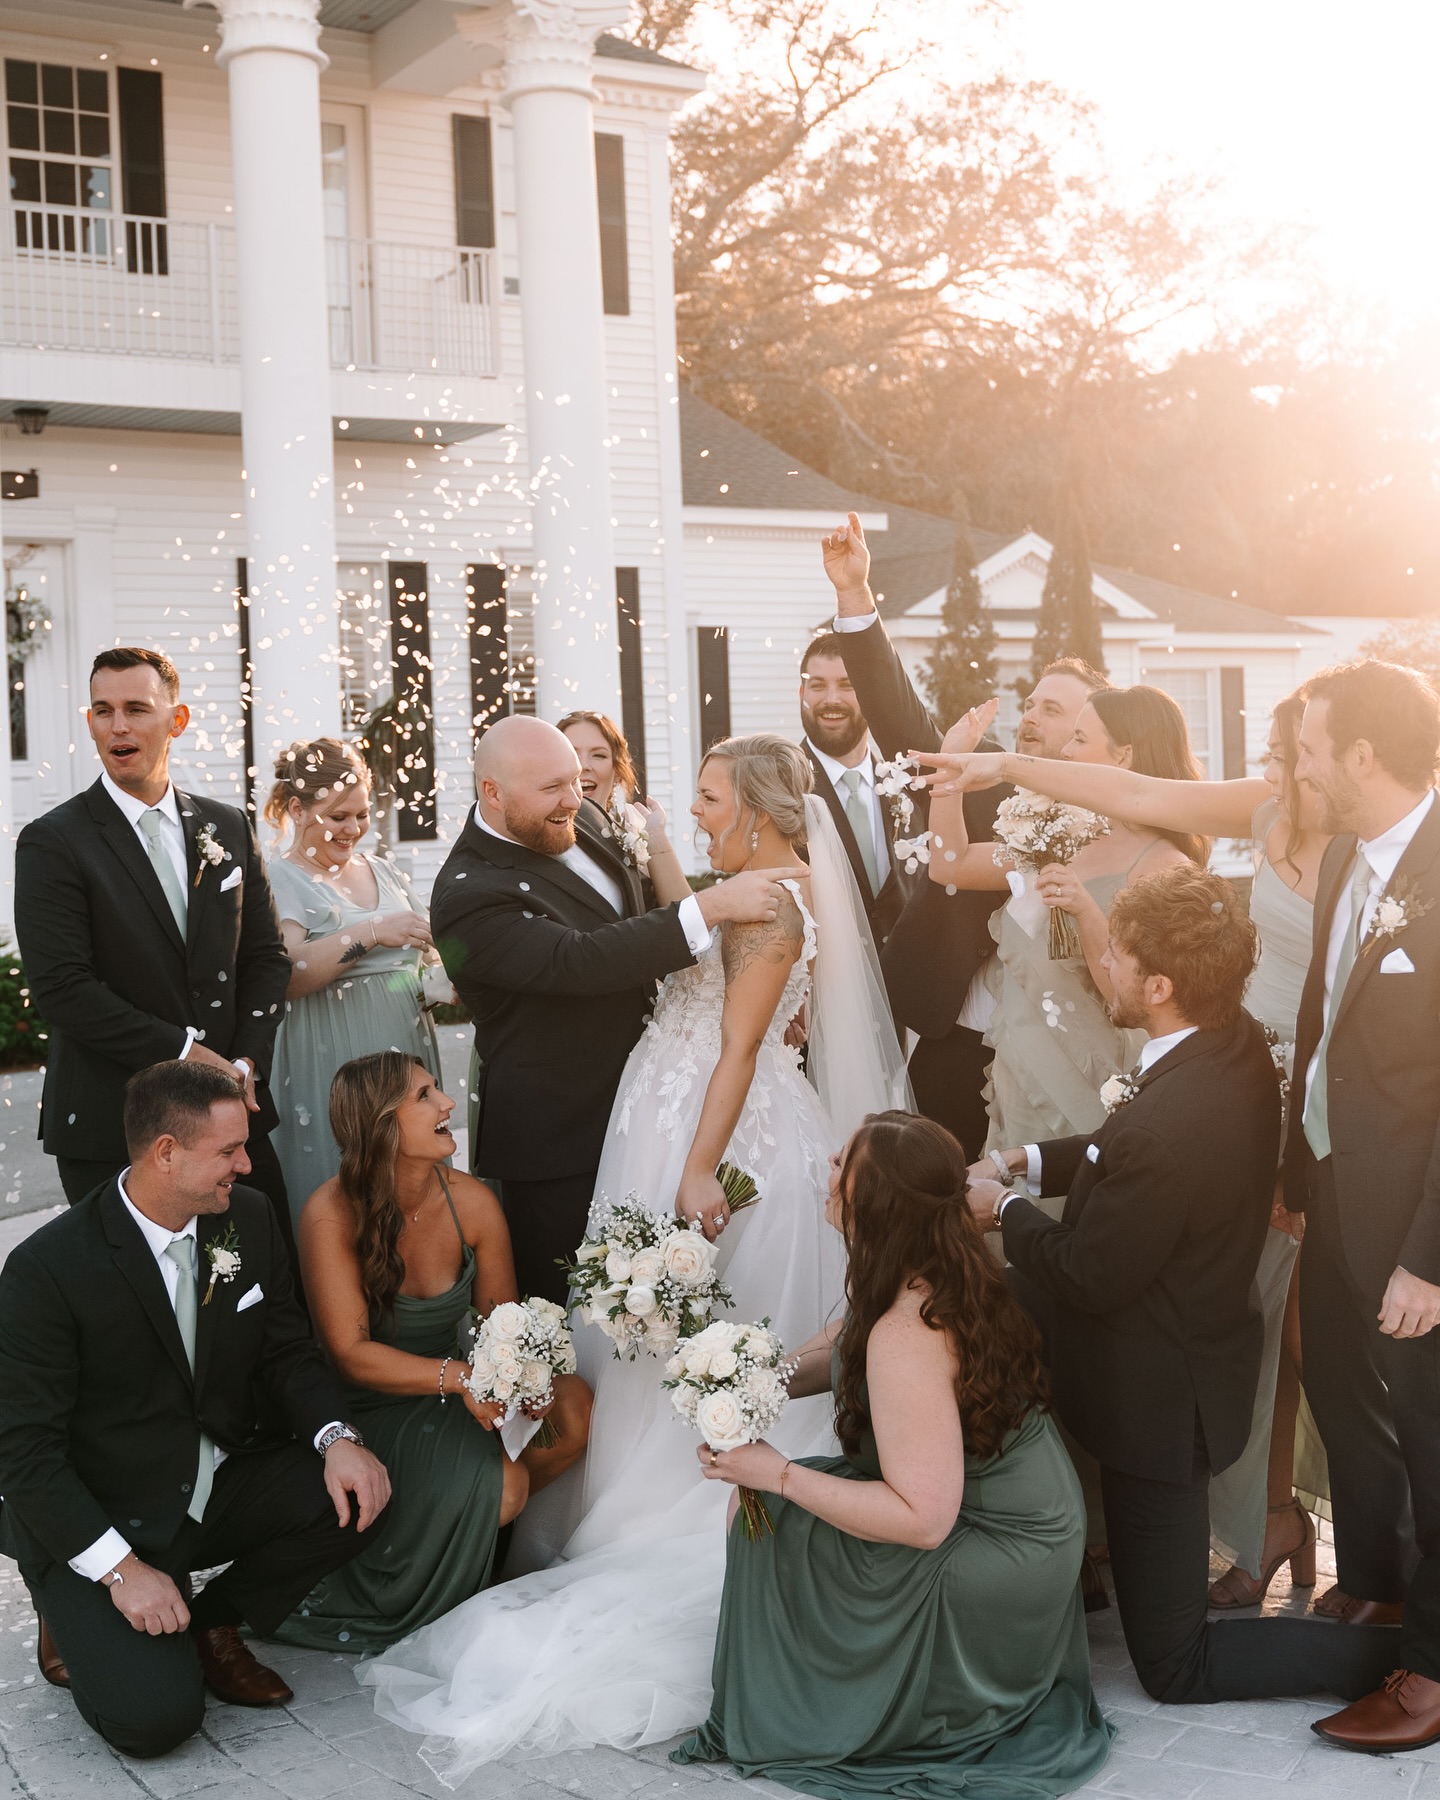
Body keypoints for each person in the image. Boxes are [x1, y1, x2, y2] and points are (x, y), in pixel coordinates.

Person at [362, 735, 911, 1776]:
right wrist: (677, 860)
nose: (694, 813)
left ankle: (695, 1504)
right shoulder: (730, 883)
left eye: (708, 798)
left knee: (697, 1322)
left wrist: (698, 1171)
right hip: (664, 1113)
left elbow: (745, 1049)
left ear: (752, 807)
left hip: (717, 1133)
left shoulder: (776, 903)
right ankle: (639, 1483)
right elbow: (663, 932)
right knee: (645, 1339)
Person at [920, 693, 1330, 1611]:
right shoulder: (1259, 811)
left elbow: (1154, 977)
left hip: (1243, 1085)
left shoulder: (1197, 854)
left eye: (1292, 747)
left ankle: (1283, 1529)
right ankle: (1085, 1525)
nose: (1279, 763)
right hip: (1176, 1085)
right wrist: (988, 771)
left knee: (1270, 1314)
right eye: (1275, 746)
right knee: (1107, 1303)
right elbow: (978, 861)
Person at [966, 865, 1398, 1705]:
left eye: (1118, 958)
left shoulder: (1171, 1122)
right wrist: (1031, 1159)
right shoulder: (1223, 1043)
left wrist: (1004, 1208)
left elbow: (1089, 1272)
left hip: (1157, 1409)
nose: (1106, 967)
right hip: (1178, 1357)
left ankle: (1396, 1659)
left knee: (1173, 1665)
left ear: (1159, 985)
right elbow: (1122, 1139)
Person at [672, 1112, 1113, 1799]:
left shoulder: (909, 1328)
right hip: (999, 1516)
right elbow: (837, 1347)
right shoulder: (914, 1267)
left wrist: (778, 1473)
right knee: (761, 1508)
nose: (828, 1164)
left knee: (761, 1510)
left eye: (844, 1162)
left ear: (874, 1202)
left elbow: (922, 1521)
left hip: (1000, 1552)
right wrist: (750, 1380)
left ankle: (832, 1704)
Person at [0, 1060, 390, 1758]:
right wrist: (122, 1571)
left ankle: (214, 1620)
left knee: (361, 1491)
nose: (246, 1163)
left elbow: (285, 1352)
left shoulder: (246, 1216)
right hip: (109, 1509)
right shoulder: (46, 1272)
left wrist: (337, 1437)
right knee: (155, 1723)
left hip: (211, 1482)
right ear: (166, 1153)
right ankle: (66, 1596)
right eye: (228, 1151)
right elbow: (23, 1453)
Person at [430, 714, 788, 1305]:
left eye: (576, 779)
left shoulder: (583, 815)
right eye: (553, 788)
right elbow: (581, 960)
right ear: (491, 792)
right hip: (561, 1136)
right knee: (578, 1309)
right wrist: (714, 906)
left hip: (649, 1103)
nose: (576, 798)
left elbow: (636, 915)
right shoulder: (467, 895)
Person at [273, 1053, 591, 1654]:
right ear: (382, 1124)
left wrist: (521, 1377)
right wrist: (461, 1378)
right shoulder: (328, 1214)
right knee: (506, 1488)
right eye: (425, 1096)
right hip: (378, 1405)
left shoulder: (471, 1202)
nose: (447, 1104)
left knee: (573, 1408)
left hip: (460, 1388)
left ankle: (475, 1554)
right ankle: (434, 1564)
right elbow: (348, 1354)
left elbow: (504, 1322)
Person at [819, 510, 1106, 1150]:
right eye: (1029, 702)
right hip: (959, 1033)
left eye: (1051, 710)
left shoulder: (1119, 822)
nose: (1029, 716)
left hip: (1068, 1044)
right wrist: (855, 596)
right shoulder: (988, 780)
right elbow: (899, 719)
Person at [1282, 661, 1440, 1752]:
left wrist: (1429, 1259)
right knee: (1341, 1393)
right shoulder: (1345, 853)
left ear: (1362, 757)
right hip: (1335, 1195)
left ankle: (1431, 1674)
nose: (1298, 769)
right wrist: (1300, 1182)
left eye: (1308, 749)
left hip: (1419, 1222)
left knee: (1436, 1444)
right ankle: (1379, 1586)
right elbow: (1320, 1015)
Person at [14, 648, 295, 1260]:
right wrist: (190, 1054)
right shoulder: (53, 842)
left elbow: (266, 960)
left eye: (137, 709)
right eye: (103, 710)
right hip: (114, 1124)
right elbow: (64, 990)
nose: (118, 726)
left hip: (231, 1120)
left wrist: (245, 1061)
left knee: (265, 1289)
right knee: (142, 1313)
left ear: (177, 719)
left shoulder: (227, 827)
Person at [920, 684, 1205, 1157]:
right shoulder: (1055, 834)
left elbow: (1136, 999)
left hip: (1096, 1078)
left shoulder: (1166, 867)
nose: (1064, 752)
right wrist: (950, 770)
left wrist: (1086, 912)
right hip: (1020, 1073)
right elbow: (948, 864)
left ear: (1124, 756)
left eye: (1079, 739)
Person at [263, 738, 443, 1228]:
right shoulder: (281, 878)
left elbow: (432, 950)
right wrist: (371, 933)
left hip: (406, 1053)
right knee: (350, 1193)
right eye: (339, 816)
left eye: (361, 815)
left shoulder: (385, 871)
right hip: (332, 1059)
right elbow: (287, 974)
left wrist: (449, 972)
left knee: (413, 1189)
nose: (354, 829)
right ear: (297, 809)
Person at [557, 709, 636, 816]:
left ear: (617, 771)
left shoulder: (633, 830)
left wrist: (655, 832)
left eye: (599, 755)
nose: (583, 766)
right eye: (572, 755)